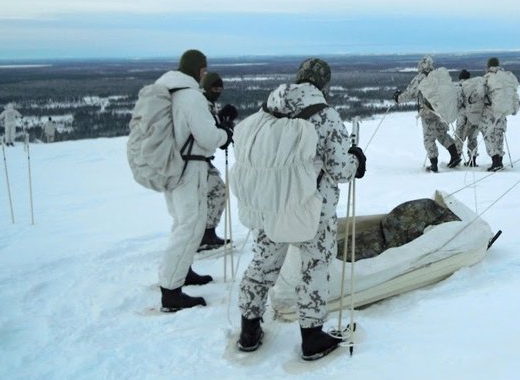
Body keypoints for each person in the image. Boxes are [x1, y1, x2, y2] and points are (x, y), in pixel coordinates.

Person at [237, 58, 366, 361]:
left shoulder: (268, 110)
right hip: (312, 206)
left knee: (263, 263)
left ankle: (249, 329)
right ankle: (312, 336)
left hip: (272, 202)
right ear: (324, 84)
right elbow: (339, 169)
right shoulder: (326, 115)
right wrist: (356, 160)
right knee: (314, 267)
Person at [155, 50, 232, 312]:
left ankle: (181, 273)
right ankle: (171, 292)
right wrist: (225, 133)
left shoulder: (166, 91)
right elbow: (208, 138)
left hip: (169, 166)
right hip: (189, 169)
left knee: (181, 223)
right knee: (190, 225)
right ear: (198, 69)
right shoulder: (190, 96)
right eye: (203, 69)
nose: (204, 74)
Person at [394, 55, 460, 172]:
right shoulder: (437, 76)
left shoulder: (420, 78)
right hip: (440, 111)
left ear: (421, 65)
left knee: (429, 139)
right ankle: (455, 156)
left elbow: (410, 93)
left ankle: (433, 165)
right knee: (442, 134)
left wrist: (398, 98)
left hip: (427, 112)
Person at [198, 72, 238, 252]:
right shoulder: (199, 105)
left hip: (200, 159)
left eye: (220, 89)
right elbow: (205, 134)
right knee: (218, 191)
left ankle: (204, 233)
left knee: (212, 193)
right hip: (195, 159)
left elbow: (209, 128)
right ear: (205, 88)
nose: (217, 92)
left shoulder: (206, 105)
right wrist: (222, 132)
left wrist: (221, 120)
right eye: (214, 88)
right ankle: (205, 234)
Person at [480, 57, 513, 171]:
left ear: (488, 66)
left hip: (489, 113)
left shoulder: (487, 78)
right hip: (502, 113)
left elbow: (479, 94)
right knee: (499, 136)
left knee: (489, 136)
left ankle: (495, 162)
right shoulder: (505, 77)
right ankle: (499, 160)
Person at [454, 69, 484, 166]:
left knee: (459, 136)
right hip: (477, 115)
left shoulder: (460, 86)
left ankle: (457, 157)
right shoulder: (475, 85)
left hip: (464, 116)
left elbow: (458, 102)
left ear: (460, 78)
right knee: (473, 137)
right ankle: (472, 160)